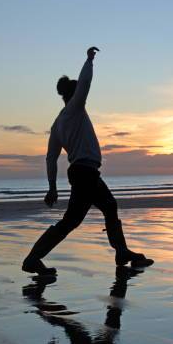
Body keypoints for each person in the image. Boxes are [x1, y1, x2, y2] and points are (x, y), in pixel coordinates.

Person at [22, 47, 153, 275]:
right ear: (73, 96)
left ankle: (120, 252)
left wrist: (52, 187)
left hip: (82, 172)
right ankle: (33, 258)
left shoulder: (57, 124)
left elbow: (51, 158)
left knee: (89, 214)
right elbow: (85, 84)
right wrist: (89, 60)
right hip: (85, 172)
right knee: (92, 213)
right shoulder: (75, 108)